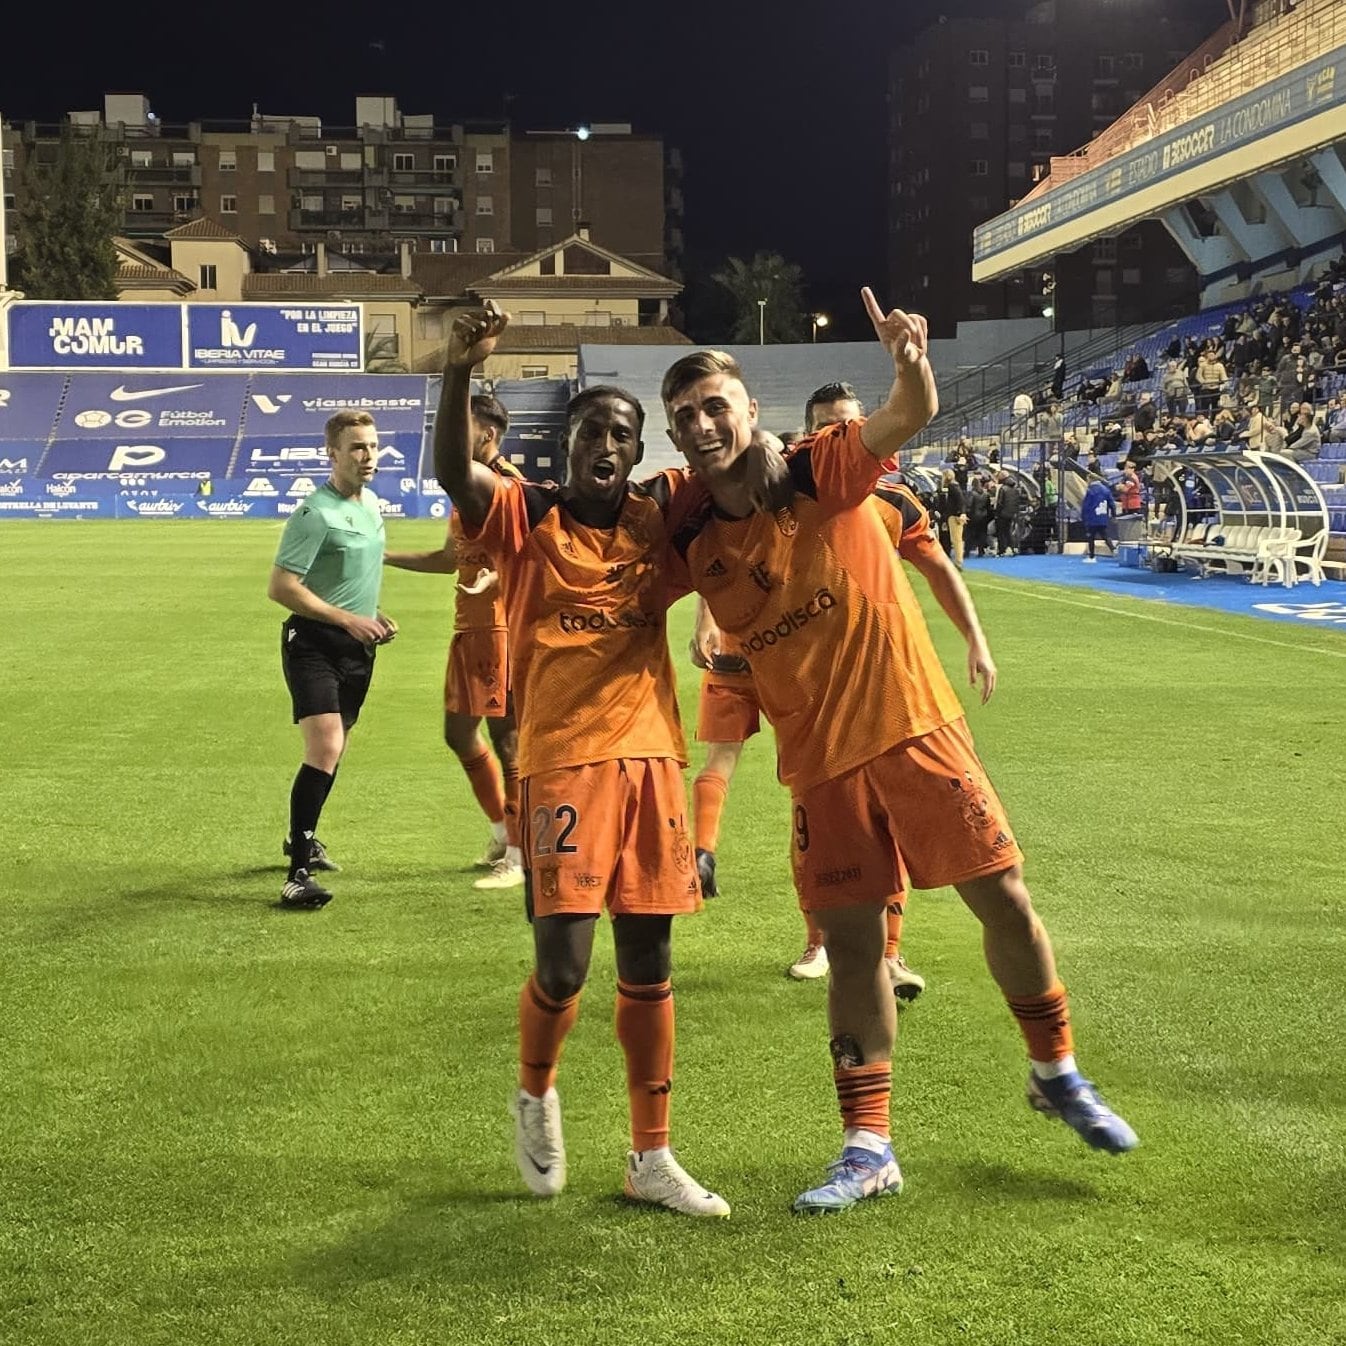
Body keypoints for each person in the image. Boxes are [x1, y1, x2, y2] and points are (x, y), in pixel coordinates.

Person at [658, 288, 1137, 1215]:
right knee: (851, 951)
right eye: (685, 416)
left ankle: (1056, 1069)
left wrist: (910, 358)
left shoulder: (822, 469)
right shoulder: (691, 534)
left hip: (915, 729)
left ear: (749, 409)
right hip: (822, 768)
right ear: (676, 437)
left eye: (716, 405)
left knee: (1002, 897)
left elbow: (907, 413)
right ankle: (868, 1146)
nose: (703, 423)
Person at [434, 302, 729, 1218]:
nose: (608, 442)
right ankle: (535, 1091)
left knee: (650, 963)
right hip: (561, 765)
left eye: (623, 432)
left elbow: (731, 470)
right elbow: (455, 469)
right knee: (563, 968)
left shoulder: (655, 520)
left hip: (650, 766)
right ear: (565, 442)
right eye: (593, 429)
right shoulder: (525, 519)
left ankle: (651, 1157)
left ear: (638, 451)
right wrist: (458, 369)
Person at [385, 394, 525, 890]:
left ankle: (519, 854)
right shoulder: (468, 494)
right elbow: (451, 558)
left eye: (461, 429)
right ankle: (499, 830)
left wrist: (500, 583)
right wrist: (382, 555)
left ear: (485, 435)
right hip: (470, 629)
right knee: (459, 734)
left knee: (510, 741)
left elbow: (539, 558)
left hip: (501, 629)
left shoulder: (507, 486)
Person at [268, 411, 397, 909]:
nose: (369, 457)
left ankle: (304, 835)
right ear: (333, 454)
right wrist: (346, 619)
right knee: (325, 744)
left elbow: (352, 579)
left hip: (358, 647)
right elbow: (281, 587)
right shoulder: (314, 513)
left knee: (334, 749)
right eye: (357, 448)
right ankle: (297, 872)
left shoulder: (371, 505)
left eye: (373, 446)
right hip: (313, 644)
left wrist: (370, 615)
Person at [936, 467, 967, 569]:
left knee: (956, 540)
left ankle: (958, 562)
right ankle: (958, 561)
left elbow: (960, 501)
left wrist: (961, 513)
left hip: (955, 516)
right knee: (956, 539)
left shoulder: (953, 487)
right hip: (954, 515)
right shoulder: (953, 486)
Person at [1080, 476, 1116, 562]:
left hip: (1092, 518)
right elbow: (1112, 503)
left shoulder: (1090, 491)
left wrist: (1084, 518)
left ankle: (1092, 557)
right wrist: (1114, 515)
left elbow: (1086, 506)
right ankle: (1114, 549)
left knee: (1091, 537)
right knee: (1105, 535)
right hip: (1103, 517)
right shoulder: (1106, 490)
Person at [992, 470, 1022, 555]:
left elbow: (1000, 503)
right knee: (1009, 531)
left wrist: (997, 513)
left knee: (1001, 532)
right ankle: (1013, 548)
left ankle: (1002, 550)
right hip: (1011, 513)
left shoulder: (1003, 488)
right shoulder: (1015, 488)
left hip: (1002, 514)